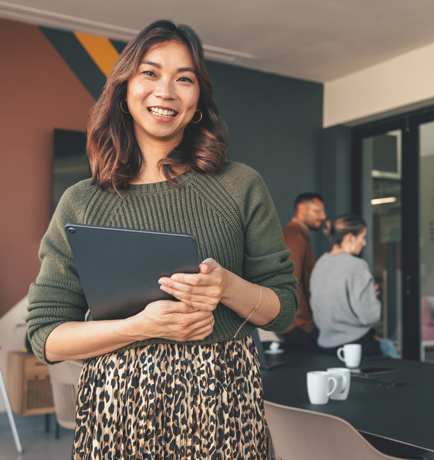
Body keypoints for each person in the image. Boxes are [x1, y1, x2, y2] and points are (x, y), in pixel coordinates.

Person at [25, 20, 297, 459]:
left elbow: (284, 311)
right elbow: (45, 336)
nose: (165, 91)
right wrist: (142, 327)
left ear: (198, 104)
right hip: (116, 413)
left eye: (184, 78)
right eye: (150, 73)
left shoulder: (240, 185)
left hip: (222, 407)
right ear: (123, 92)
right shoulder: (81, 202)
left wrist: (227, 287)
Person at [309, 214, 398, 358]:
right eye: (362, 237)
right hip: (356, 346)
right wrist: (370, 298)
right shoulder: (357, 265)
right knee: (387, 345)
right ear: (350, 237)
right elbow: (371, 316)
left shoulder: (320, 264)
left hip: (325, 345)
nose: (364, 243)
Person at [279, 193, 326, 348]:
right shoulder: (294, 238)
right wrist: (305, 323)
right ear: (301, 208)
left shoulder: (300, 237)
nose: (323, 216)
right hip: (298, 326)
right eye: (318, 210)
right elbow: (293, 283)